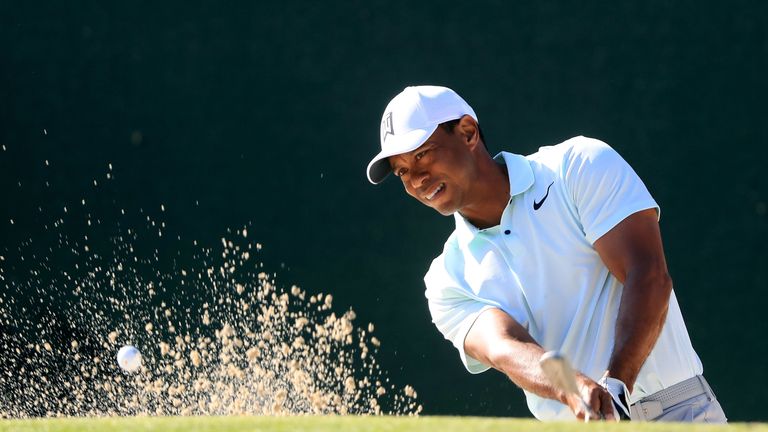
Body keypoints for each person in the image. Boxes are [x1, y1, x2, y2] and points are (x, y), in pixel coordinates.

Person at [365, 85, 727, 422]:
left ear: (468, 132)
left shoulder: (577, 165)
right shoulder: (446, 280)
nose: (417, 179)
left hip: (676, 412)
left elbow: (648, 274)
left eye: (423, 154)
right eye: (403, 171)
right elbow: (505, 347)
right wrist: (571, 388)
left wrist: (617, 385)